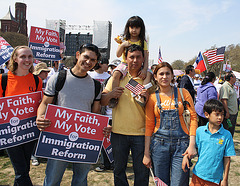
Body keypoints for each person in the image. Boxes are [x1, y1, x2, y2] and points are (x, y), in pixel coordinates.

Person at [36, 44, 109, 186]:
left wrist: (102, 128)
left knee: (80, 181)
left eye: (93, 60)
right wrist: (40, 117)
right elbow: (45, 103)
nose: (88, 62)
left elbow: (95, 114)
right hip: (58, 137)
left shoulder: (95, 86)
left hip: (85, 140)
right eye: (86, 57)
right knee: (52, 180)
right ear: (77, 55)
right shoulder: (58, 78)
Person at [143, 62, 198, 186]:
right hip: (159, 146)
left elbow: (193, 119)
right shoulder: (152, 98)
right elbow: (149, 125)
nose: (164, 77)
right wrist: (146, 153)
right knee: (161, 183)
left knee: (179, 182)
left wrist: (192, 145)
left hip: (182, 146)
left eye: (167, 73)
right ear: (155, 77)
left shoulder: (183, 93)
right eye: (161, 74)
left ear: (172, 75)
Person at [101, 44, 149, 186]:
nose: (135, 60)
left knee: (141, 172)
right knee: (119, 170)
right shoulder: (117, 77)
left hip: (141, 134)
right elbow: (103, 101)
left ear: (143, 59)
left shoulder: (147, 79)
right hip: (118, 133)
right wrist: (110, 94)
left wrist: (146, 98)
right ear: (126, 59)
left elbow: (153, 108)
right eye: (131, 57)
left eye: (138, 57)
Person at [0, 46, 43, 186]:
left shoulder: (37, 81)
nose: (27, 60)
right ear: (15, 58)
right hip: (10, 132)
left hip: (29, 131)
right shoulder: (3, 79)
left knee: (24, 169)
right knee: (21, 171)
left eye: (30, 57)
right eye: (23, 56)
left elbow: (39, 105)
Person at [182, 99, 236, 186]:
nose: (220, 117)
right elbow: (192, 148)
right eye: (217, 114)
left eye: (222, 114)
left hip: (214, 179)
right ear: (207, 114)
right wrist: (186, 157)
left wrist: (225, 179)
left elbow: (227, 158)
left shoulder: (226, 135)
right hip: (198, 175)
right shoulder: (199, 131)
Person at [110, 16, 151, 107]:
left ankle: (142, 96)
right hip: (125, 64)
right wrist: (122, 45)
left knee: (148, 74)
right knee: (116, 74)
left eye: (137, 27)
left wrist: (144, 69)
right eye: (132, 27)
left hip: (140, 65)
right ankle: (114, 96)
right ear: (128, 28)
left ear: (141, 29)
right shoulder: (124, 40)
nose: (134, 30)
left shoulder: (142, 42)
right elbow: (118, 54)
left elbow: (146, 56)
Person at [219, 71, 238, 137]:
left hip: (233, 112)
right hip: (229, 113)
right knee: (227, 131)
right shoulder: (225, 86)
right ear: (231, 78)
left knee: (231, 131)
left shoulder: (231, 86)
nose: (236, 78)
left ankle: (229, 145)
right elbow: (224, 100)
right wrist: (227, 112)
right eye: (235, 77)